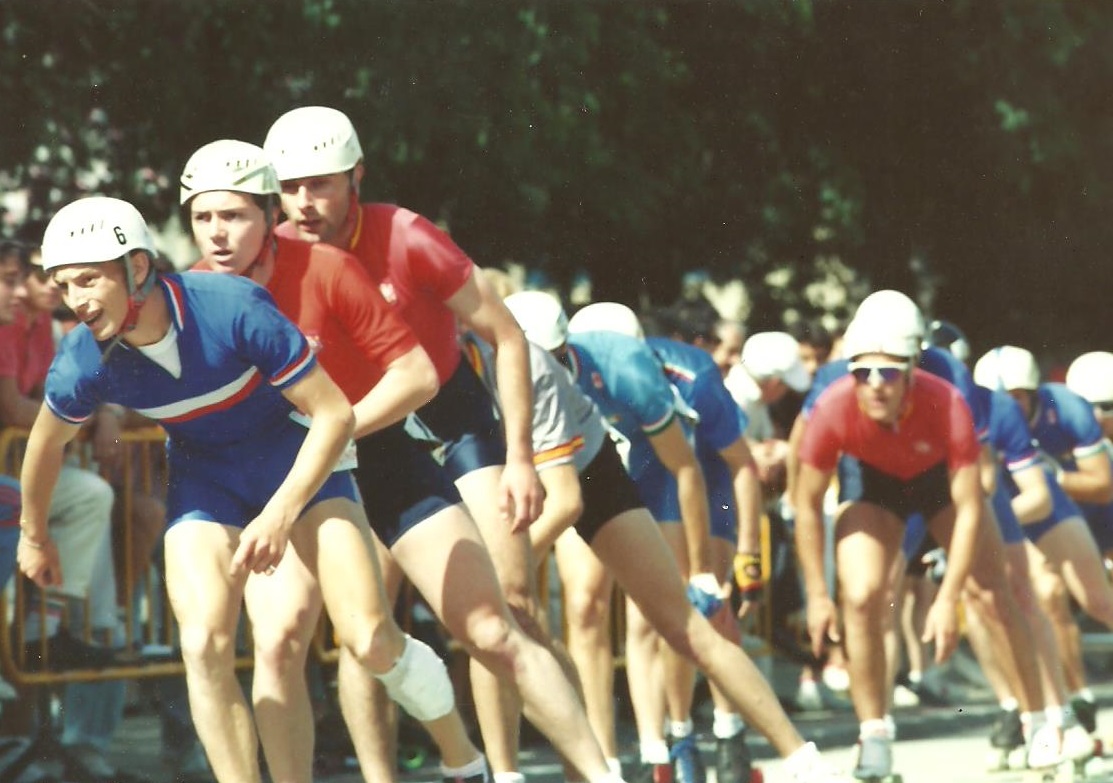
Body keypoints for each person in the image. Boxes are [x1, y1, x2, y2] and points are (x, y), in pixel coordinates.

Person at [184, 138, 621, 783]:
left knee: (492, 626)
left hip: (388, 442)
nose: (220, 233)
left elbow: (428, 370)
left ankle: (594, 774)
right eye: (204, 217)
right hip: (288, 473)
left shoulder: (359, 253)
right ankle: (441, 763)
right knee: (286, 642)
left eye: (234, 215)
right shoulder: (193, 291)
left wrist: (518, 456)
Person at [17, 195, 363, 783]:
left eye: (90, 280)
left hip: (293, 468)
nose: (76, 300)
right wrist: (34, 535)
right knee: (202, 645)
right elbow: (46, 446)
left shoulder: (232, 306)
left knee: (328, 641)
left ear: (139, 268)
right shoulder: (82, 357)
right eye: (65, 284)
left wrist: (280, 513)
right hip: (207, 481)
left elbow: (335, 414)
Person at [498, 289, 848, 783]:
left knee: (681, 616)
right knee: (581, 606)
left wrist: (711, 566)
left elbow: (699, 469)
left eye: (557, 360)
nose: (546, 371)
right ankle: (612, 762)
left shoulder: (646, 372)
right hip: (563, 465)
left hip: (641, 467)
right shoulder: (493, 369)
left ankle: (777, 751)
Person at [794, 291, 1008, 781]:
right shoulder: (832, 403)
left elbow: (971, 506)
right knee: (862, 597)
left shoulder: (947, 396)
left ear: (912, 368)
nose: (874, 384)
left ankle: (1041, 714)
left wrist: (947, 597)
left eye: (888, 373)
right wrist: (817, 594)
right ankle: (873, 733)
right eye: (862, 372)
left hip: (937, 479)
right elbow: (805, 501)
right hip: (875, 481)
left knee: (994, 587)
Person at [562, 301, 766, 783]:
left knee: (683, 606)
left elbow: (739, 464)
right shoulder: (560, 377)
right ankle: (628, 756)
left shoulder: (692, 375)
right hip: (599, 470)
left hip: (683, 472)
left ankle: (719, 729)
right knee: (585, 605)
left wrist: (745, 553)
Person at [974, 345, 1113, 741]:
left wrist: (1057, 476)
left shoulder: (1066, 408)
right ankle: (1052, 706)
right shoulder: (981, 415)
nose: (1009, 405)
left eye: (1018, 396)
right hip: (1014, 508)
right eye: (1002, 398)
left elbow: (1102, 485)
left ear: (1035, 393)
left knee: (1098, 600)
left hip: (1062, 504)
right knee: (1038, 595)